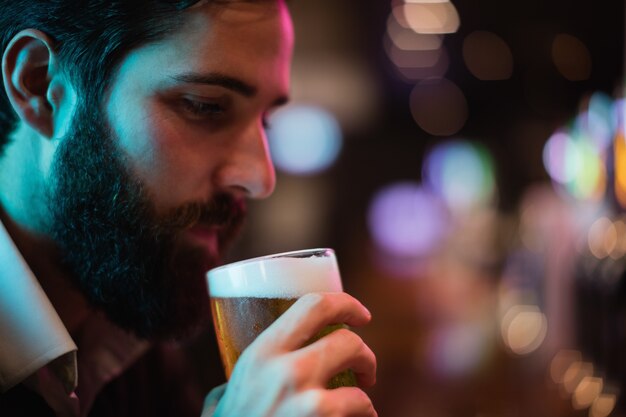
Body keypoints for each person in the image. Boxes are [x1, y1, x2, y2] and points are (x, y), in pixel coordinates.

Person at [0, 1, 377, 416]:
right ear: (40, 87)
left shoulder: (140, 346)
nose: (260, 178)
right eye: (205, 106)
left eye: (264, 122)